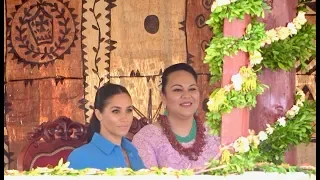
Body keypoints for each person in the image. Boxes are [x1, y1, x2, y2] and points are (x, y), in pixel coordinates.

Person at [132, 63, 220, 170]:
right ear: (163, 96)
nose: (187, 95)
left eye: (192, 89)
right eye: (177, 90)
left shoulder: (215, 133)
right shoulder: (146, 138)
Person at [67, 83, 145, 170]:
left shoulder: (133, 151)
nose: (125, 118)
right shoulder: (80, 157)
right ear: (99, 114)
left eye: (129, 110)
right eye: (116, 111)